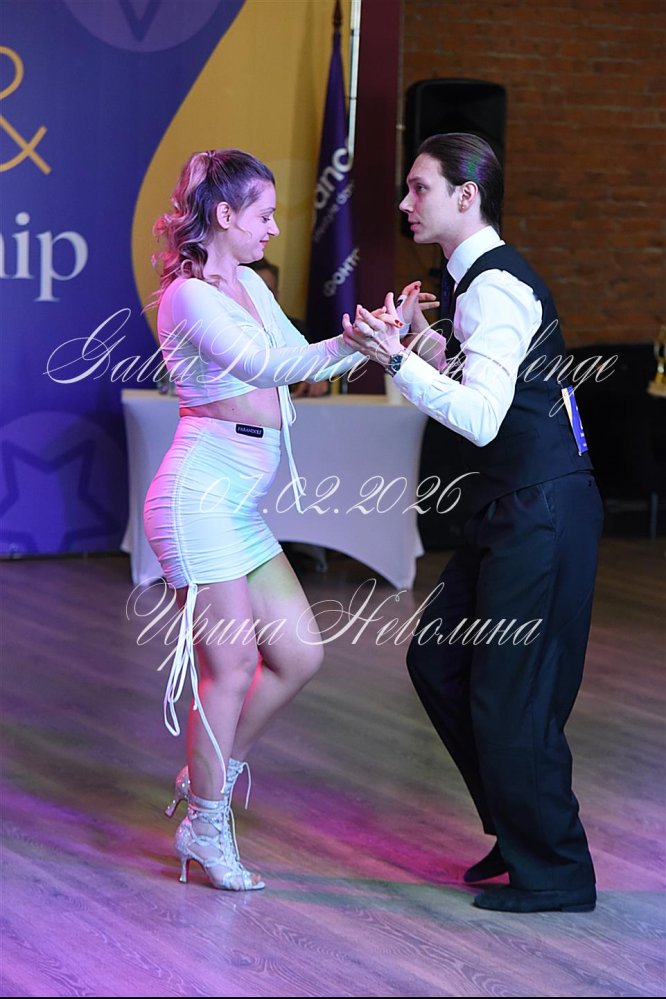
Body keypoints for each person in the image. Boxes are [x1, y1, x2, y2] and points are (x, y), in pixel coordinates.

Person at [342, 133, 603, 914]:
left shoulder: (493, 287)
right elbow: (487, 382)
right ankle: (520, 828)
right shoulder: (472, 286)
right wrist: (420, 343)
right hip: (513, 503)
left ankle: (556, 869)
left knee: (512, 690)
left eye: (419, 188)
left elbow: (484, 418)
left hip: (539, 506)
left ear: (466, 196)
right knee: (438, 658)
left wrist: (397, 359)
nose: (405, 203)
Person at [143, 148, 364, 891]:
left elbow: (302, 358)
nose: (273, 229)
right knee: (232, 668)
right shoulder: (188, 296)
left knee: (299, 654)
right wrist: (353, 343)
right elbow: (265, 367)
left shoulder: (249, 285)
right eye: (263, 215)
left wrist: (376, 340)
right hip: (198, 498)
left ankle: (212, 770)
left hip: (237, 505)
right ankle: (206, 825)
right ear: (224, 215)